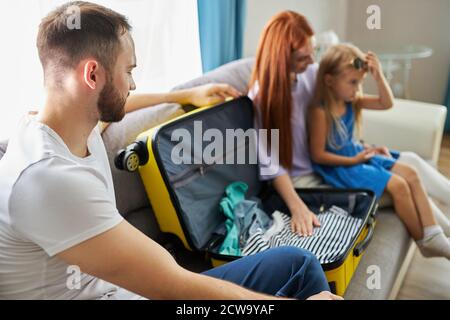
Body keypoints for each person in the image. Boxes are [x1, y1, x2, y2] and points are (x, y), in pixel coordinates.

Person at [0, 1, 341, 300]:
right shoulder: (48, 178)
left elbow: (121, 102)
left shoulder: (66, 123)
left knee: (297, 263)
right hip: (152, 290)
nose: (132, 83)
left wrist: (179, 96)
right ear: (92, 74)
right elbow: (174, 286)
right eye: (129, 70)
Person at [248, 10, 450, 240]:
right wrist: (297, 207)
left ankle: (441, 237)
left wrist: (364, 146)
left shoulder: (311, 74)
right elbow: (272, 165)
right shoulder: (262, 98)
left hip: (334, 166)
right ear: (281, 57)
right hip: (307, 179)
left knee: (411, 161)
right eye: (303, 57)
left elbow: (341, 100)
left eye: (312, 52)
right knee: (403, 187)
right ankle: (438, 240)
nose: (312, 62)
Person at [308, 43, 450, 260]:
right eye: (353, 82)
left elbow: (386, 103)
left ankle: (433, 234)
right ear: (329, 80)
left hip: (357, 155)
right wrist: (354, 159)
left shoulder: (351, 102)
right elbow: (318, 155)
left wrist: (378, 75)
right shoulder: (320, 111)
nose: (357, 89)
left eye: (360, 83)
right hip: (341, 166)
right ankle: (425, 241)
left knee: (411, 172)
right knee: (399, 184)